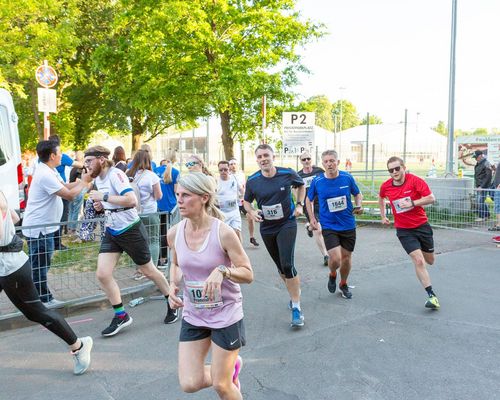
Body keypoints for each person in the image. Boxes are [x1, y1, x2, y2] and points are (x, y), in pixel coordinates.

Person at [167, 172, 253, 399]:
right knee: (189, 383)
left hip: (226, 314)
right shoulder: (174, 233)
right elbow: (176, 264)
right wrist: (172, 286)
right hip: (194, 314)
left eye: (186, 195)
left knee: (222, 385)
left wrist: (223, 271)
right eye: (178, 195)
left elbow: (248, 273)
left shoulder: (223, 232)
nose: (179, 200)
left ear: (204, 198)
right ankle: (228, 368)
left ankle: (224, 373)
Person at [83, 145, 178, 336]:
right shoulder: (99, 178)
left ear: (101, 159)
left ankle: (172, 301)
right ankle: (121, 315)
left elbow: (131, 200)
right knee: (102, 274)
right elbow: (111, 202)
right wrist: (102, 205)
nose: (86, 166)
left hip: (130, 229)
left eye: (89, 161)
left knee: (149, 270)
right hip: (112, 230)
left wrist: (105, 196)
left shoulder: (115, 174)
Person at [0, 190, 93, 375]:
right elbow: (14, 217)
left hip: (11, 267)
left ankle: (79, 345)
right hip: (7, 263)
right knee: (35, 313)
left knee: (36, 312)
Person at [244, 144, 306, 327]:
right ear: (256, 160)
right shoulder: (253, 180)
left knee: (288, 264)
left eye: (266, 155)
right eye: (260, 156)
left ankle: (296, 307)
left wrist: (300, 204)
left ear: (273, 156)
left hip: (287, 223)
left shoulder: (286, 173)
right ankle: (293, 292)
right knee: (281, 268)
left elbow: (301, 185)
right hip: (267, 228)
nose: (263, 159)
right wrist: (251, 212)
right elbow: (246, 202)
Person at [22, 140, 90, 307]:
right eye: (60, 153)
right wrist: (83, 182)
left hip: (45, 228)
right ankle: (42, 300)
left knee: (40, 263)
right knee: (40, 265)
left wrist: (84, 181)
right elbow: (69, 195)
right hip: (39, 229)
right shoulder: (44, 174)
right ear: (52, 156)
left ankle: (31, 294)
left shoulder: (50, 171)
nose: (62, 156)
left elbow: (65, 186)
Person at [378, 156, 440, 309]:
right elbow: (381, 197)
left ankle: (427, 255)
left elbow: (431, 198)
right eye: (391, 170)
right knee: (418, 260)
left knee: (430, 260)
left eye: (397, 168)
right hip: (404, 229)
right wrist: (383, 216)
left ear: (403, 167)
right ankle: (432, 296)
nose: (394, 172)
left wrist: (413, 203)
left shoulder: (415, 181)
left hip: (422, 226)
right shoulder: (386, 186)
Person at [307, 150, 363, 299]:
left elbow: (357, 193)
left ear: (338, 162)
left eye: (332, 160)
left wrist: (358, 205)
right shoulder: (318, 181)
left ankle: (343, 283)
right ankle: (332, 274)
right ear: (323, 164)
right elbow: (309, 199)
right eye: (326, 161)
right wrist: (312, 217)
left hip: (348, 224)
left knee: (346, 258)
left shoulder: (347, 177)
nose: (329, 164)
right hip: (329, 225)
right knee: (336, 258)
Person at [126, 150, 163, 281]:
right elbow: (159, 196)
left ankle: (139, 270)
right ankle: (152, 270)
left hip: (133, 213)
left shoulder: (129, 174)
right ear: (148, 160)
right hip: (150, 212)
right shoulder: (151, 175)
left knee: (138, 242)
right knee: (153, 240)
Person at [48, 135, 84, 250]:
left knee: (57, 217)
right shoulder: (60, 157)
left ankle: (55, 242)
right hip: (59, 189)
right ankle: (57, 243)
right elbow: (78, 165)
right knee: (61, 217)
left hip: (58, 187)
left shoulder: (44, 161)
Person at [296, 151, 328, 266]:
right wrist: (300, 204)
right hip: (308, 204)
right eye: (303, 159)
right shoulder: (298, 175)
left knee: (321, 226)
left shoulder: (319, 171)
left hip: (322, 202)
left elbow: (327, 181)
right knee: (318, 229)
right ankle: (326, 255)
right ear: (301, 161)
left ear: (311, 159)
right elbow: (295, 190)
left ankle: (309, 228)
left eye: (308, 159)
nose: (306, 161)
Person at [155, 151, 180, 267]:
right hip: (170, 207)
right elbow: (176, 191)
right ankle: (164, 258)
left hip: (158, 205)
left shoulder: (157, 170)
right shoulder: (175, 172)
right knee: (168, 233)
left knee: (159, 232)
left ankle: (160, 258)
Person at [229, 158, 259, 247]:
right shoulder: (228, 175)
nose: (233, 165)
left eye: (234, 163)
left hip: (243, 200)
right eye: (231, 164)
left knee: (250, 217)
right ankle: (234, 240)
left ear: (237, 165)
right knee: (233, 222)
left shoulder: (241, 174)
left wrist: (247, 197)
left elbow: (245, 187)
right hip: (233, 202)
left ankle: (252, 237)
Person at [217, 160, 243, 242]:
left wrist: (243, 198)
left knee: (237, 232)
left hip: (234, 211)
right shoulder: (216, 181)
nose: (223, 172)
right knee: (224, 236)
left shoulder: (234, 178)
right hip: (222, 214)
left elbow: (241, 190)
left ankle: (240, 253)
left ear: (229, 169)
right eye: (221, 170)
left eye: (225, 169)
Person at [68, 150, 87, 234]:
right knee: (76, 210)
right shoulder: (80, 168)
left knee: (71, 210)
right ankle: (73, 230)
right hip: (77, 191)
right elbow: (77, 181)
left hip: (71, 190)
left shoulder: (73, 168)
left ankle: (69, 229)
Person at [472, 150, 493, 222]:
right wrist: (477, 186)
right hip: (479, 186)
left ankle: (482, 216)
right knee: (481, 201)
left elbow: (489, 176)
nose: (475, 159)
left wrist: (482, 186)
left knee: (480, 200)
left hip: (484, 186)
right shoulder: (478, 163)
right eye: (474, 157)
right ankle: (487, 215)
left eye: (476, 157)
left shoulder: (486, 163)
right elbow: (478, 176)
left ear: (480, 156)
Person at [489, 160, 500, 231]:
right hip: (497, 187)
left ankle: (499, 225)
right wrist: (495, 169)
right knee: (497, 206)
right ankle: (499, 223)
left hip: (498, 188)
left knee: (498, 206)